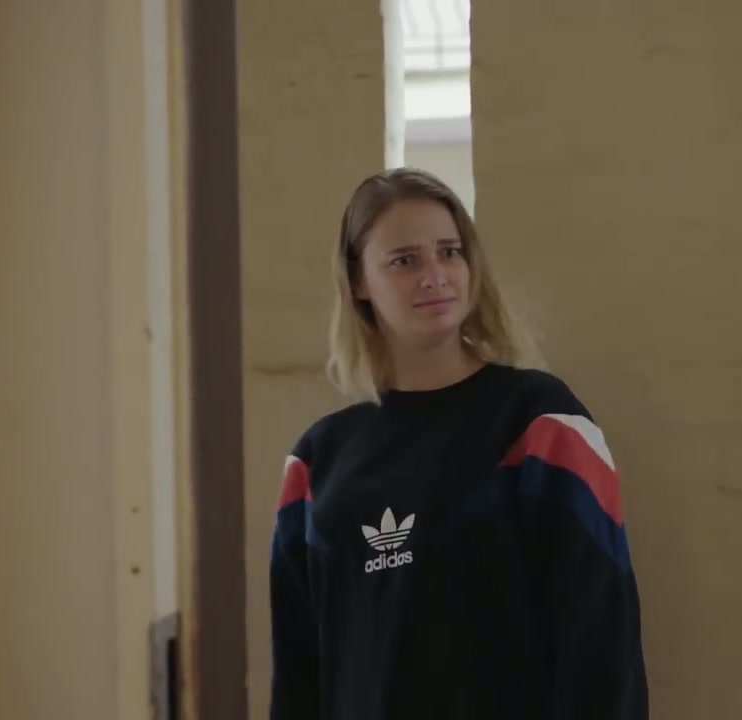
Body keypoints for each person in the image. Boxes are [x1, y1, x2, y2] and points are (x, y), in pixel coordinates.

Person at [269, 167, 649, 719]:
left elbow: (601, 643)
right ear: (358, 282)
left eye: (449, 252)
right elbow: (297, 674)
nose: (435, 276)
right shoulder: (316, 462)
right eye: (405, 260)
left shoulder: (540, 422)